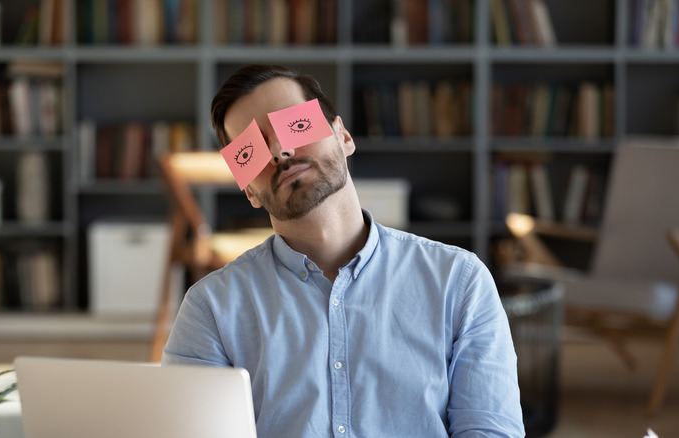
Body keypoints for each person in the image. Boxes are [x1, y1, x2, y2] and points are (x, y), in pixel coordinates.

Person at [163, 64, 525, 437]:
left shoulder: (459, 282)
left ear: (343, 136)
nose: (279, 150)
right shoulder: (210, 310)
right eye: (250, 150)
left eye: (294, 124)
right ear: (248, 190)